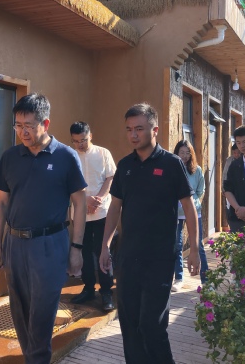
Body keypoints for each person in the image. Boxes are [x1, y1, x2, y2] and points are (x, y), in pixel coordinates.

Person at [99, 103, 200, 364]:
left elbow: (189, 209)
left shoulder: (171, 164)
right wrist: (105, 245)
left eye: (139, 129)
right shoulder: (125, 165)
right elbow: (114, 208)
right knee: (130, 324)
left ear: (154, 130)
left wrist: (195, 250)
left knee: (152, 325)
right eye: (129, 129)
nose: (133, 135)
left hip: (159, 259)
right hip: (128, 257)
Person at [0, 93, 87, 364]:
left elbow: (80, 203)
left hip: (50, 244)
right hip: (14, 244)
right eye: (18, 125)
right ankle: (32, 358)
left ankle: (38, 359)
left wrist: (76, 248)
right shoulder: (10, 157)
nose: (23, 132)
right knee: (19, 311)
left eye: (29, 126)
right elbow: (1, 203)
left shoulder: (66, 156)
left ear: (45, 123)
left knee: (42, 313)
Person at [69, 121, 116, 312]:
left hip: (102, 211)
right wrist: (85, 200)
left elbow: (110, 177)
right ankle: (88, 288)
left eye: (83, 140)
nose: (80, 144)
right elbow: (67, 184)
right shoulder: (70, 156)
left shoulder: (103, 153)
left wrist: (100, 198)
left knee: (103, 250)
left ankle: (106, 291)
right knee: (84, 253)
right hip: (80, 213)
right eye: (75, 141)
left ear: (90, 136)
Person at [172, 140, 209, 291]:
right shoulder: (172, 168)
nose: (185, 156)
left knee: (198, 244)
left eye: (188, 153)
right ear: (176, 153)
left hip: (193, 211)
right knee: (177, 244)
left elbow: (201, 190)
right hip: (176, 212)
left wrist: (192, 202)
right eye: (182, 152)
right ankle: (178, 278)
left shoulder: (196, 170)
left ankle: (206, 280)